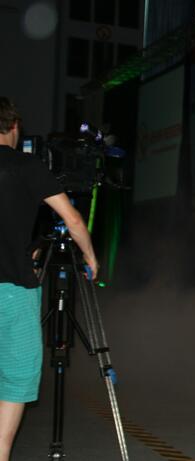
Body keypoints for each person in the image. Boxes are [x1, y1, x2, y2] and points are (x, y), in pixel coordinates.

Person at [0, 97, 98, 460]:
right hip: (12, 291)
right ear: (14, 127)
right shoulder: (26, 166)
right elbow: (72, 219)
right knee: (15, 379)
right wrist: (90, 257)